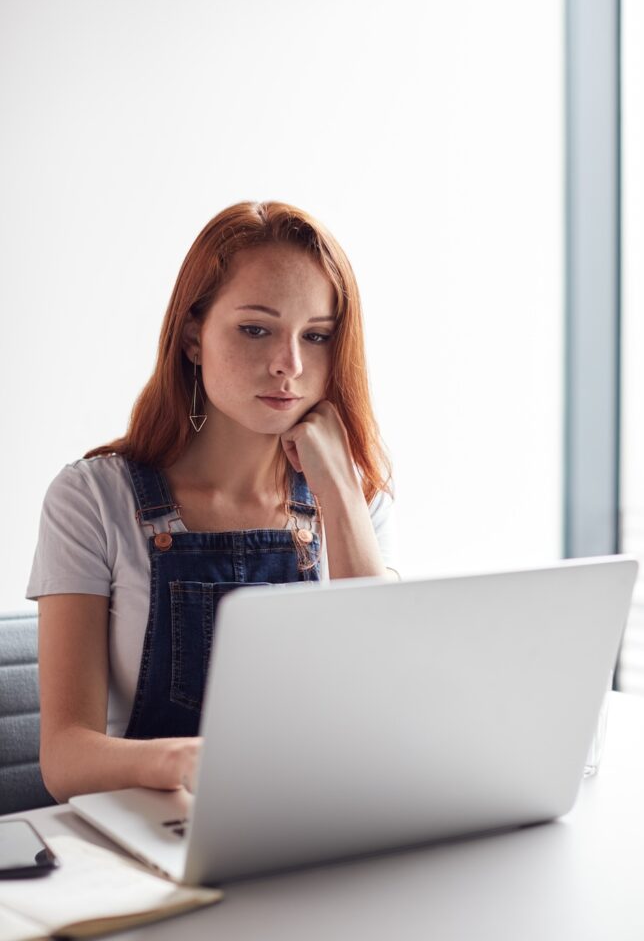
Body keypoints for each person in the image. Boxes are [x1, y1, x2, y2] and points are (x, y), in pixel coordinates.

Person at [27, 201, 397, 802]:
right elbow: (65, 756)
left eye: (318, 336)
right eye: (256, 329)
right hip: (153, 831)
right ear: (194, 336)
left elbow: (386, 706)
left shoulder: (354, 500)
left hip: (314, 822)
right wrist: (194, 763)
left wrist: (340, 493)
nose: (290, 365)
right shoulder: (91, 498)